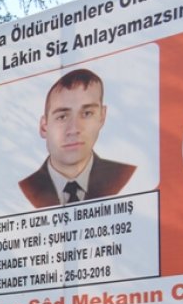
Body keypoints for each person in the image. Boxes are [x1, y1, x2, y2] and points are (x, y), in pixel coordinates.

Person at [18, 68, 136, 208]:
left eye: (87, 113)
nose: (74, 129)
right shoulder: (22, 191)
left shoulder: (126, 177)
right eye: (62, 117)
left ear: (102, 116)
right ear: (44, 127)